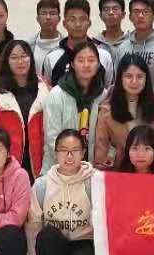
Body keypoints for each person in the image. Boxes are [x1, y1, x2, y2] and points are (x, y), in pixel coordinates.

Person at [28, 129, 102, 255]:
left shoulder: (93, 182)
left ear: (83, 153)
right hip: (55, 244)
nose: (69, 156)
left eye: (75, 150)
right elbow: (33, 228)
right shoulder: (42, 185)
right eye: (64, 150)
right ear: (56, 153)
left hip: (83, 242)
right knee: (47, 235)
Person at [40, 41, 109, 174]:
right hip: (59, 169)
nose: (86, 65)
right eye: (81, 60)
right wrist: (72, 165)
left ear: (98, 64)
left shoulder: (103, 95)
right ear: (72, 64)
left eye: (91, 60)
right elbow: (52, 138)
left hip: (92, 170)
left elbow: (108, 137)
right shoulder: (57, 94)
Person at [0, 39, 48, 177]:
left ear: (31, 58)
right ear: (7, 62)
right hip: (9, 164)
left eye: (24, 56)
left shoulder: (44, 89)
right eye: (14, 57)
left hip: (40, 164)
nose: (20, 61)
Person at [95, 53, 154, 168]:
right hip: (117, 171)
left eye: (140, 76)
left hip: (149, 172)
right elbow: (101, 150)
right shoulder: (106, 111)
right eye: (128, 76)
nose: (134, 81)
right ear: (120, 78)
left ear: (146, 79)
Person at [45, 0, 114, 86]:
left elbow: (108, 90)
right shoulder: (52, 57)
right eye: (72, 19)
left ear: (89, 23)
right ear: (64, 24)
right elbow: (48, 91)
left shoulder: (103, 56)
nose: (77, 24)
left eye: (82, 19)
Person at [29, 0, 63, 80]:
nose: (48, 17)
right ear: (37, 19)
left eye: (52, 13)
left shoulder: (67, 45)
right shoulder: (28, 46)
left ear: (59, 18)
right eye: (44, 13)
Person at [96, 0, 130, 69]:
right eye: (106, 9)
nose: (111, 12)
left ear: (123, 14)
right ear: (100, 16)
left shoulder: (132, 42)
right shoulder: (94, 44)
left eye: (115, 9)